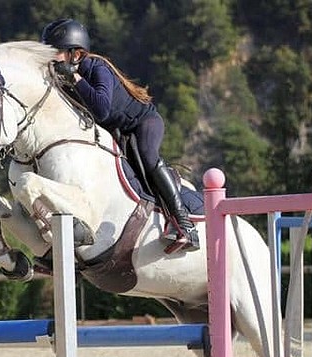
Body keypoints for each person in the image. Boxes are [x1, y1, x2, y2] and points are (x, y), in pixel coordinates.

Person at [41, 18, 199, 252]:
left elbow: (102, 109)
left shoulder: (97, 68)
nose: (51, 58)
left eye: (56, 52)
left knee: (148, 157)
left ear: (76, 54)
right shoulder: (62, 79)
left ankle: (186, 225)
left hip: (143, 123)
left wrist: (75, 78)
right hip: (117, 132)